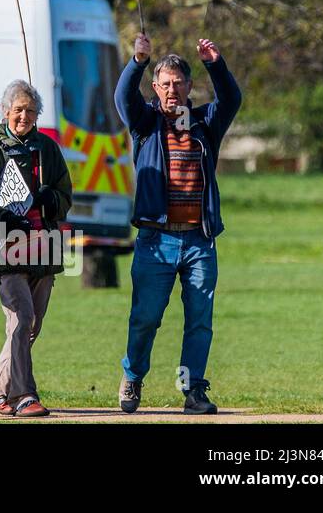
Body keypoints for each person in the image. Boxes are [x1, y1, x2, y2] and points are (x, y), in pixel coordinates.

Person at [116, 34, 241, 415]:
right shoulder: (146, 122)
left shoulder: (205, 121)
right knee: (146, 318)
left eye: (178, 83)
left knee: (199, 320)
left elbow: (231, 100)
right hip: (156, 241)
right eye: (165, 84)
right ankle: (133, 376)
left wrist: (215, 63)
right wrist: (137, 61)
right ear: (156, 88)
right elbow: (124, 98)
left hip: (199, 241)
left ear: (189, 87)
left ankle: (193, 390)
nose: (172, 90)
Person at [0, 80, 72, 418]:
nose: (24, 116)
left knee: (32, 326)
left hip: (44, 247)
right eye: (18, 109)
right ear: (5, 111)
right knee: (21, 319)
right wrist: (0, 217)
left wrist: (53, 199)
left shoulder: (47, 148)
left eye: (30, 111)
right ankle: (23, 395)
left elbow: (66, 193)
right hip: (6, 247)